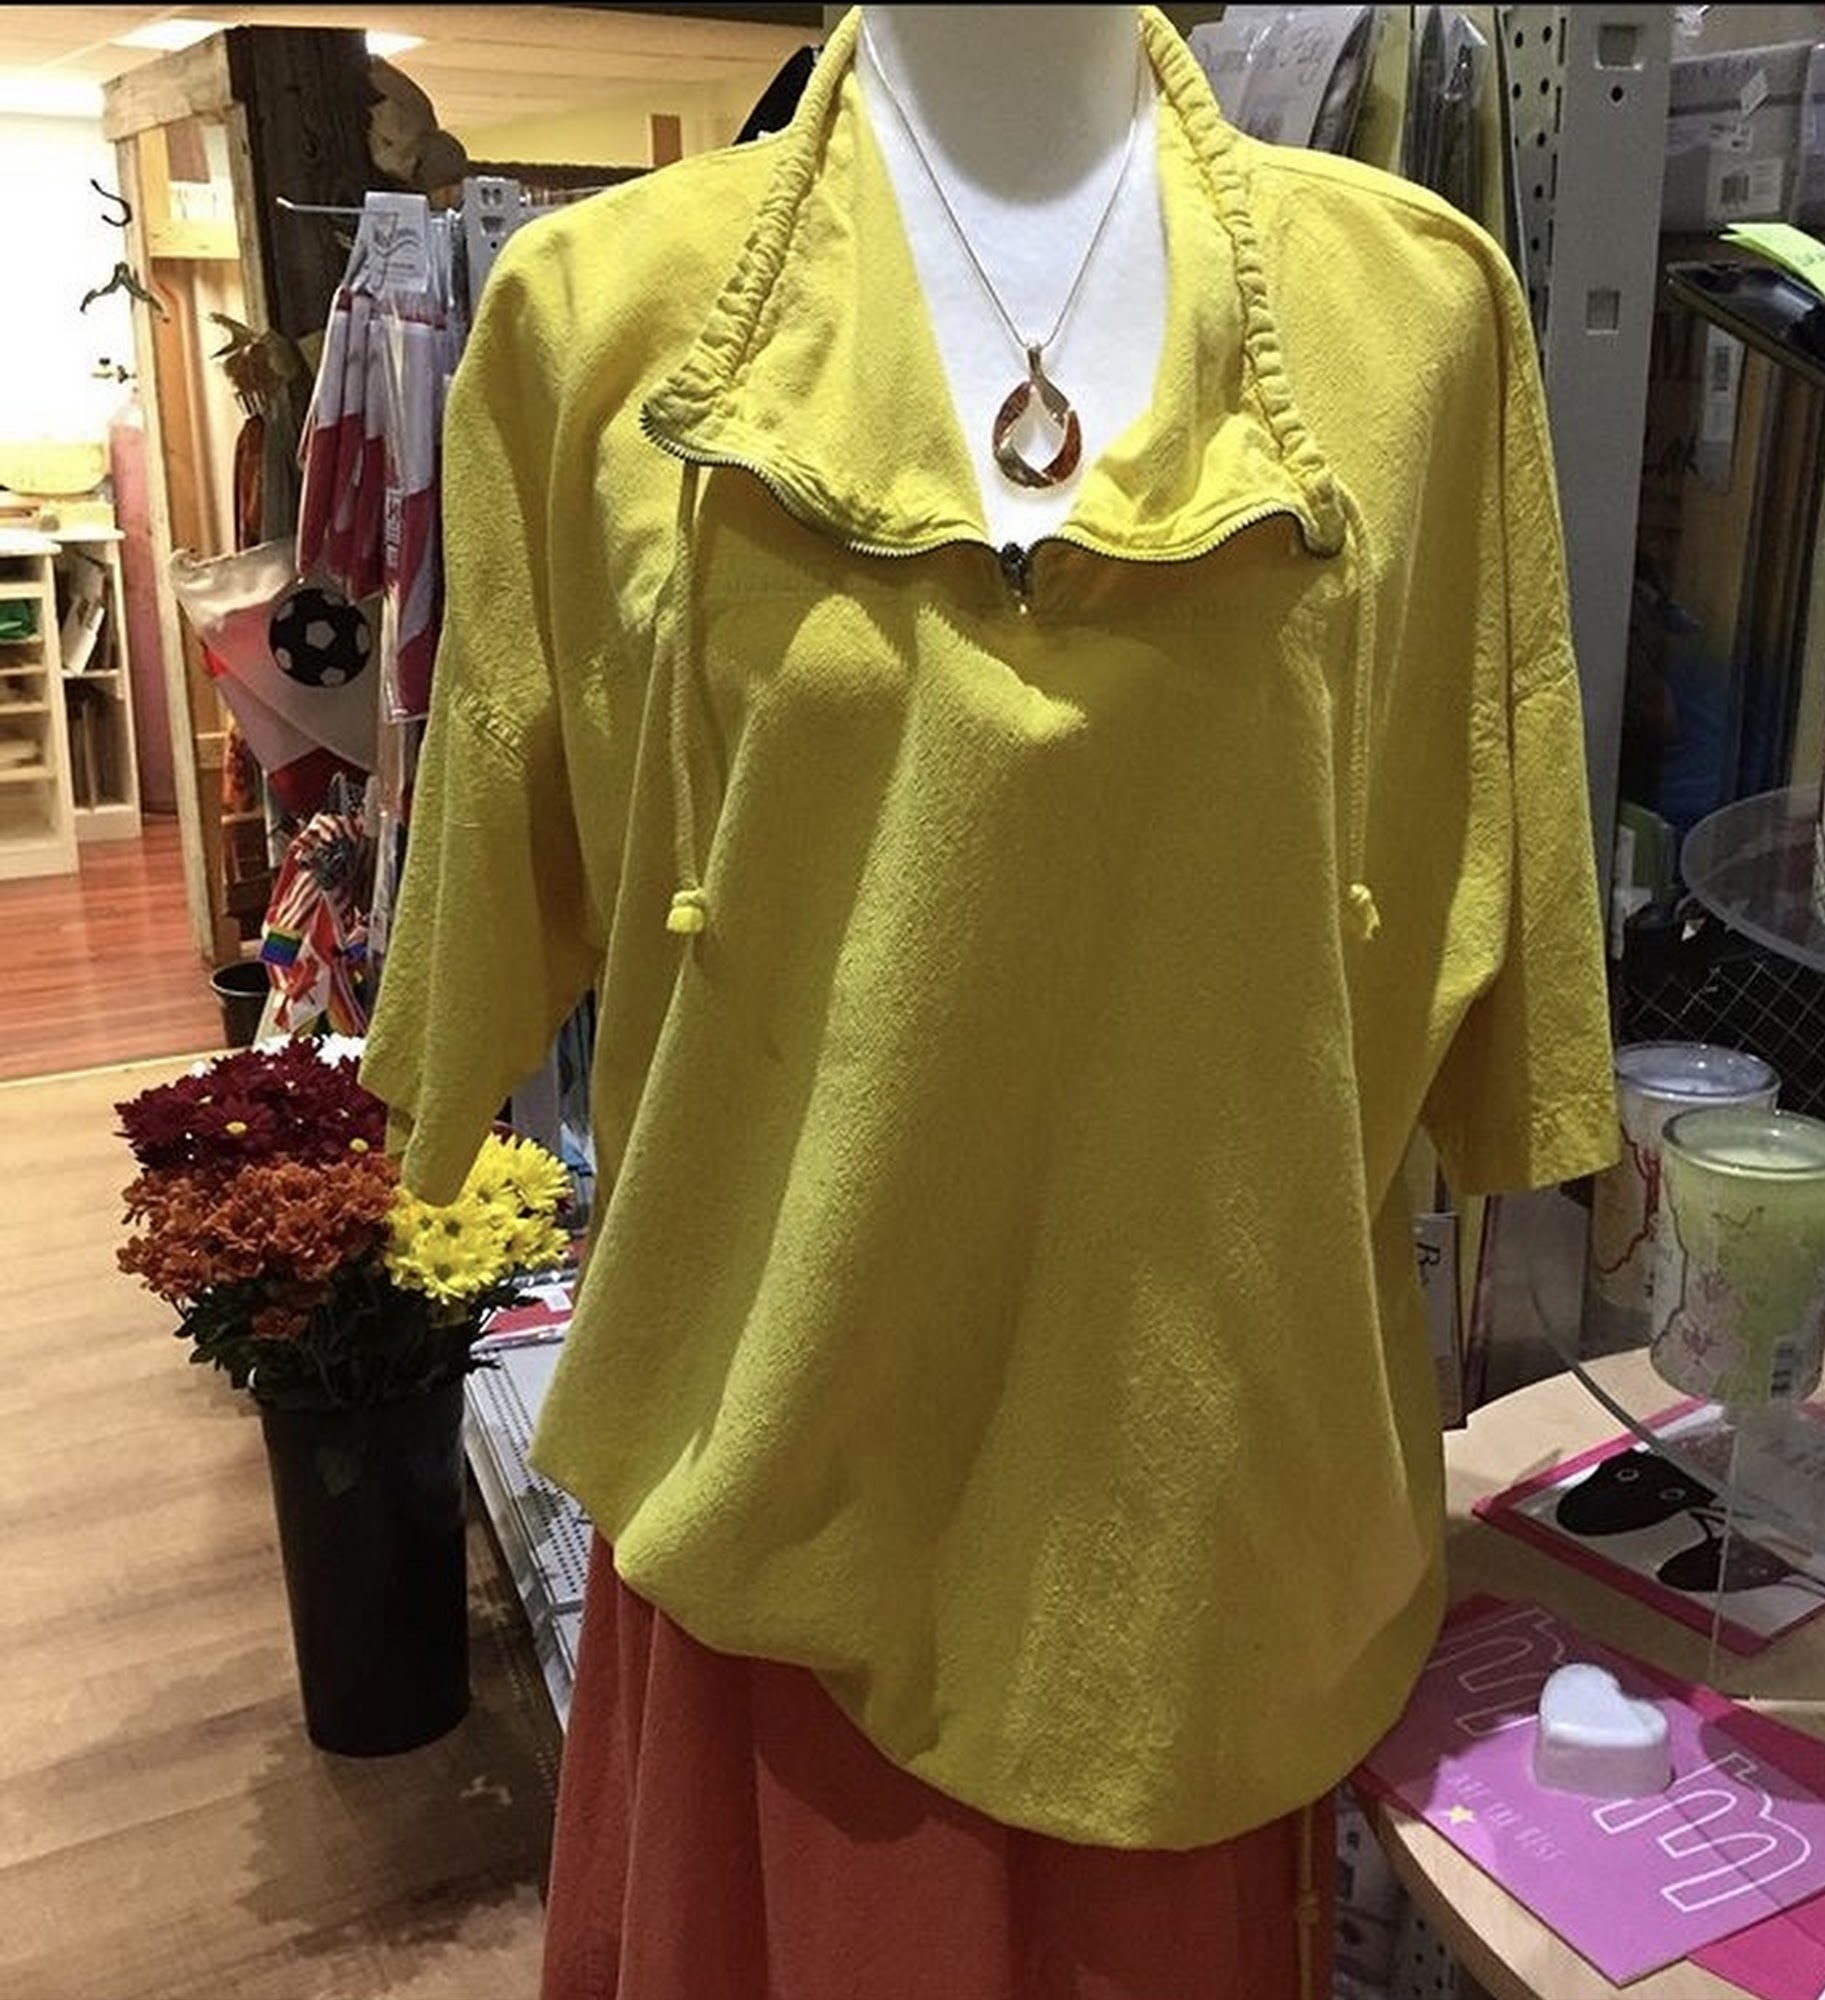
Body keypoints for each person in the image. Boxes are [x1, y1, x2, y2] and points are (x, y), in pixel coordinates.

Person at [359, 7, 1620, 1995]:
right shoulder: (590, 324)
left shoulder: (1419, 315)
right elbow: (495, 883)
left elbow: (1498, 840)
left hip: (1204, 1521)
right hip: (771, 1497)